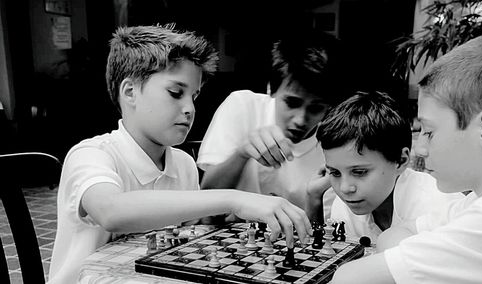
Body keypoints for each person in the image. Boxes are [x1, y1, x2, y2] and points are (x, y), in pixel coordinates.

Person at [48, 25, 312, 284]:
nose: (189, 108)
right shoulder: (91, 154)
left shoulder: (183, 164)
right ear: (130, 92)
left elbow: (188, 233)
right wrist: (234, 199)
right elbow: (111, 212)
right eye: (176, 93)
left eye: (194, 96)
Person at [331, 33, 482, 283]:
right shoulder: (478, 200)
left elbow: (349, 278)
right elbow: (401, 232)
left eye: (429, 132)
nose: (420, 149)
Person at [197, 29, 350, 219]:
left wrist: (314, 198)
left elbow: (324, 231)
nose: (300, 120)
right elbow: (207, 202)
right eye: (292, 103)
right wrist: (242, 153)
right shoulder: (242, 106)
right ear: (272, 88)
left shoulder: (334, 141)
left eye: (316, 108)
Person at [308, 91, 462, 243]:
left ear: (401, 160)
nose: (345, 188)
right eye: (335, 173)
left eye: (359, 172)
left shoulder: (442, 210)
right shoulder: (343, 208)